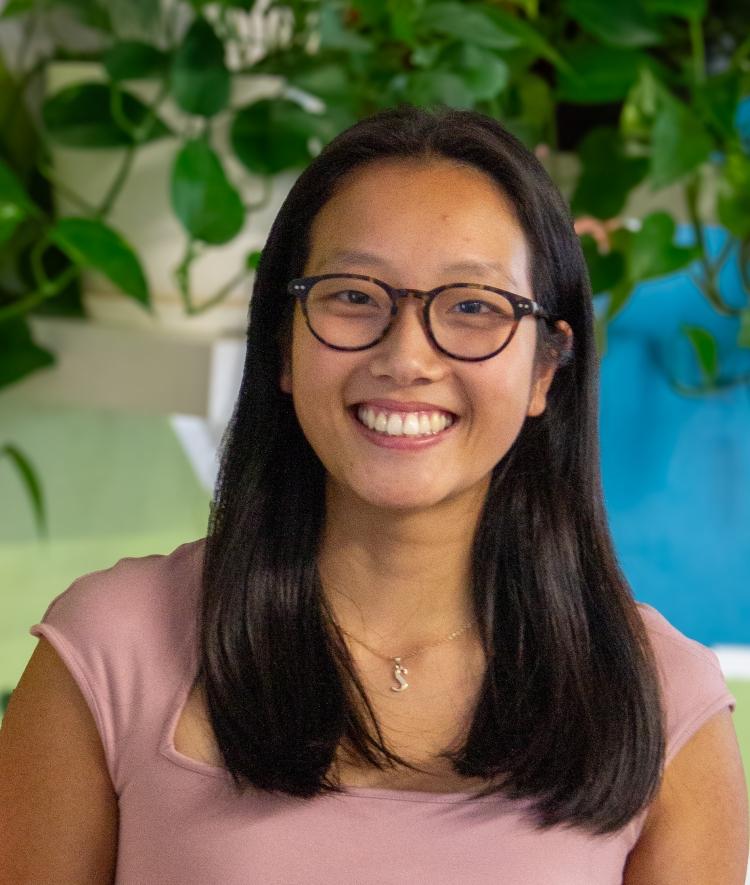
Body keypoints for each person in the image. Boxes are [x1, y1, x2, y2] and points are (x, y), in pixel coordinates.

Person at [0, 105, 747, 884]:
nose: (407, 355)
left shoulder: (663, 702)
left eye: (472, 306)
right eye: (354, 296)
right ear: (282, 343)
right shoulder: (107, 652)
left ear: (545, 370)